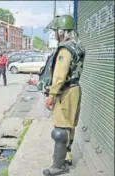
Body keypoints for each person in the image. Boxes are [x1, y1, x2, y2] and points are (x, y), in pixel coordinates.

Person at [42, 15, 86, 176]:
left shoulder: (66, 49)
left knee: (60, 130)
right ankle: (67, 157)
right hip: (75, 88)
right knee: (69, 126)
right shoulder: (78, 46)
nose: (55, 35)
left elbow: (60, 75)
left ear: (62, 32)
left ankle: (58, 166)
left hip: (65, 91)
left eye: (56, 32)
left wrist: (52, 95)